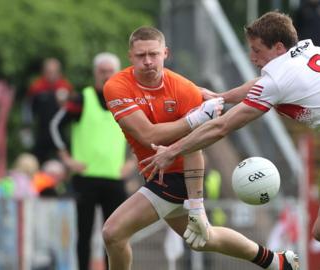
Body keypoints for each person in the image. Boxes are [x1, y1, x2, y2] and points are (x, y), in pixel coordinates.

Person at [141, 12, 320, 270]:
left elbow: (221, 127)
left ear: (279, 47)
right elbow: (262, 83)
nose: (252, 58)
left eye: (257, 51)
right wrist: (221, 97)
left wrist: (173, 150)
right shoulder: (305, 51)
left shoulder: (280, 79)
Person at [101, 26, 299, 270]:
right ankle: (275, 261)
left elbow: (195, 147)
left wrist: (196, 205)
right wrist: (194, 120)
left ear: (166, 53)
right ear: (130, 57)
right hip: (155, 172)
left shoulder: (184, 90)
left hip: (176, 176)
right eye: (141, 56)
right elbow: (146, 135)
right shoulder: (116, 86)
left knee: (113, 232)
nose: (148, 61)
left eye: (153, 54)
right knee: (204, 239)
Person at [49, 52, 132, 270]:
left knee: (116, 234)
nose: (106, 75)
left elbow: (143, 131)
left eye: (110, 71)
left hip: (114, 177)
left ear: (117, 73)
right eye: (102, 71)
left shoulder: (125, 101)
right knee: (84, 234)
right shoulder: (81, 99)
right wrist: (67, 159)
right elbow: (56, 125)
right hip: (85, 178)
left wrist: (133, 162)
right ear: (95, 73)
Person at [24, 58, 73, 163]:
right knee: (37, 161)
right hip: (42, 132)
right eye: (49, 71)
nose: (51, 74)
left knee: (63, 161)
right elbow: (28, 109)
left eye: (54, 71)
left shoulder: (65, 86)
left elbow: (72, 111)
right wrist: (26, 127)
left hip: (60, 133)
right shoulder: (37, 87)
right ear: (43, 72)